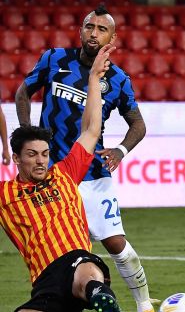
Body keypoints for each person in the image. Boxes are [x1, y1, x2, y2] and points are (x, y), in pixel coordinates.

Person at [14, 5, 155, 312]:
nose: (94, 33)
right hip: (52, 174)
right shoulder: (53, 59)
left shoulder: (117, 80)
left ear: (112, 37)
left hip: (90, 173)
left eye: (101, 29)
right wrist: (28, 135)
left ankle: (145, 306)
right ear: (80, 31)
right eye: (89, 27)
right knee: (53, 251)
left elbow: (139, 124)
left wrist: (120, 150)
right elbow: (23, 93)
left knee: (118, 245)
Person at [1, 44, 122, 312]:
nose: (41, 160)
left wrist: (93, 79)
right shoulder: (5, 194)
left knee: (90, 279)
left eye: (44, 153)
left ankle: (103, 297)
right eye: (32, 154)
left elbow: (91, 130)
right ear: (17, 158)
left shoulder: (65, 173)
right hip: (45, 283)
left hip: (79, 263)